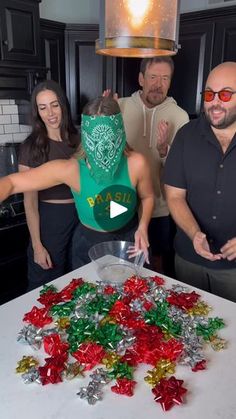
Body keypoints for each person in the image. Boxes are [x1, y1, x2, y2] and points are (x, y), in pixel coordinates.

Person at [1, 96, 154, 270]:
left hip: (130, 241)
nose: (103, 148)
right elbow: (12, 183)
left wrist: (143, 227)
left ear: (119, 134)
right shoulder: (71, 169)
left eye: (109, 140)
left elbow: (147, 196)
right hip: (89, 245)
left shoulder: (137, 163)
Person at [104, 56, 189, 275]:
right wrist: (104, 116)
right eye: (153, 77)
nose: (158, 84)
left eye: (164, 78)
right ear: (141, 79)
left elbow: (184, 171)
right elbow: (102, 153)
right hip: (122, 206)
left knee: (156, 270)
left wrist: (164, 151)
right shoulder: (119, 106)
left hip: (160, 209)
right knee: (123, 268)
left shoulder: (180, 117)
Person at [164, 61, 236, 303]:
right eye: (209, 94)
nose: (215, 102)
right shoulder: (186, 135)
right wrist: (194, 233)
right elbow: (174, 196)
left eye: (225, 94)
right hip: (188, 261)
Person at [18, 80, 80, 291]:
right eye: (43, 108)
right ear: (37, 112)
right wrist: (37, 245)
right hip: (50, 223)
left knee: (77, 281)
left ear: (63, 105)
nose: (50, 113)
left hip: (81, 218)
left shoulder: (78, 140)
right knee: (46, 286)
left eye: (54, 105)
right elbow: (30, 203)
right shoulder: (30, 147)